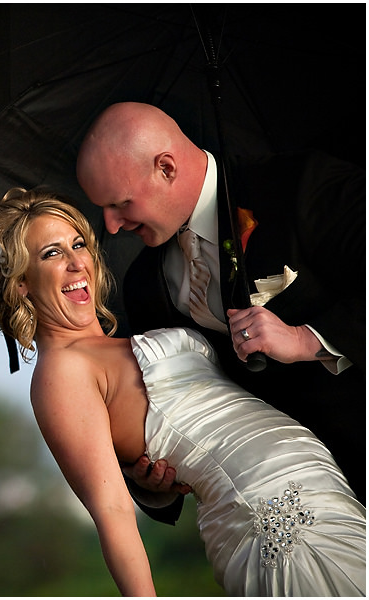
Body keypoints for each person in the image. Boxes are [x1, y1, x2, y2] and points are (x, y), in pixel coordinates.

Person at [0, 187, 365, 596]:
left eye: (77, 244)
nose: (75, 262)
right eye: (51, 253)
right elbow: (113, 511)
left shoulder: (126, 333)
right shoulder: (62, 372)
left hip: (318, 479)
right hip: (267, 511)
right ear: (21, 282)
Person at [75, 102, 366, 519]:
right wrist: (153, 484)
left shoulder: (299, 185)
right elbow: (160, 408)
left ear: (166, 168)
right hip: (272, 503)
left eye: (120, 203)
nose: (112, 225)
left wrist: (306, 339)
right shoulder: (144, 285)